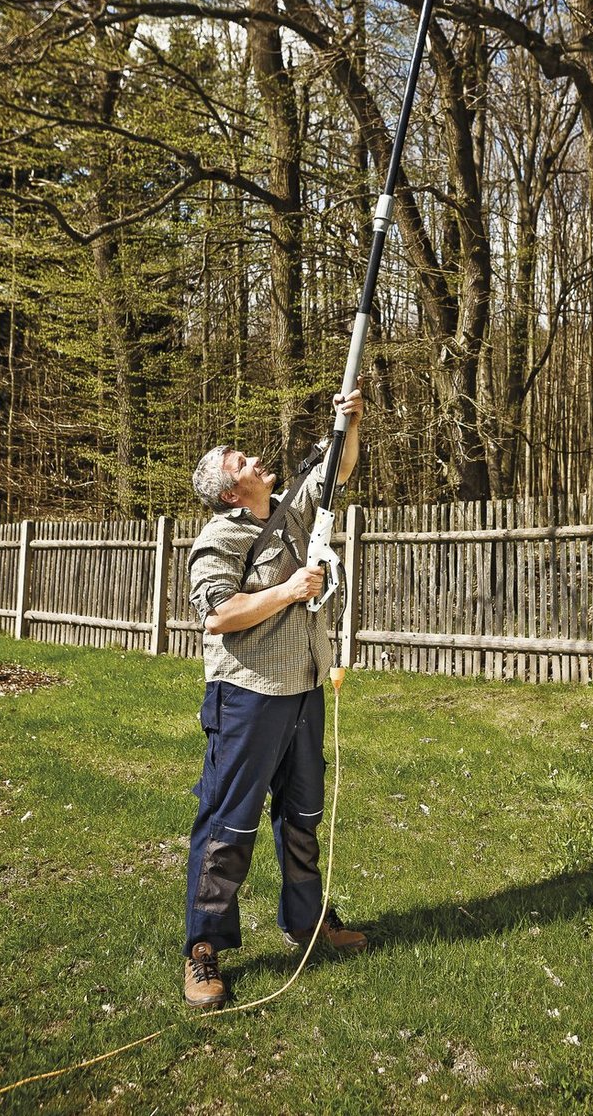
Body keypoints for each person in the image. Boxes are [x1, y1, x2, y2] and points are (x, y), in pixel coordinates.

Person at [182, 386, 368, 1009]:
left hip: (305, 688)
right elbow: (220, 615)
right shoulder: (218, 540)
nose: (252, 458)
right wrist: (288, 591)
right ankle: (203, 948)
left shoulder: (291, 510)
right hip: (248, 695)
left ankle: (307, 924)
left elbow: (335, 469)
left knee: (303, 817)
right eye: (238, 461)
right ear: (230, 493)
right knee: (228, 824)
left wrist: (349, 422)